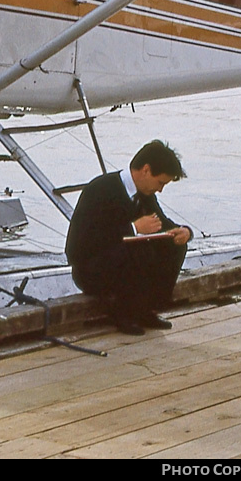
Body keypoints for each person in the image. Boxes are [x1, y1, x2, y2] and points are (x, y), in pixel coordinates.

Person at [64, 140, 193, 335]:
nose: (160, 190)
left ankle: (146, 308)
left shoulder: (144, 195)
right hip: (91, 268)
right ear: (146, 170)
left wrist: (184, 232)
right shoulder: (100, 190)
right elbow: (80, 244)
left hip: (123, 263)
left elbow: (161, 225)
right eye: (160, 183)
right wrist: (132, 228)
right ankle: (122, 313)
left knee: (173, 244)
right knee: (132, 248)